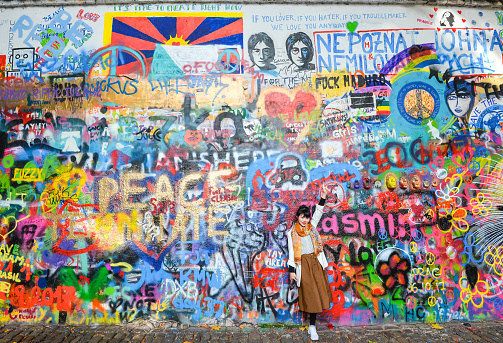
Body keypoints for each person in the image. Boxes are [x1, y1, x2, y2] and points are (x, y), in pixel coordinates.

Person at [287, 183, 332, 341]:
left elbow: (318, 212)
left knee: (318, 294)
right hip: (303, 266)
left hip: (315, 263)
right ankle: (311, 327)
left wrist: (323, 197)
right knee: (311, 295)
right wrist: (292, 271)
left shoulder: (312, 227)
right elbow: (292, 253)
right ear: (298, 217)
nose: (305, 220)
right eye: (302, 217)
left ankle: (312, 326)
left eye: (307, 217)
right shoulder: (292, 233)